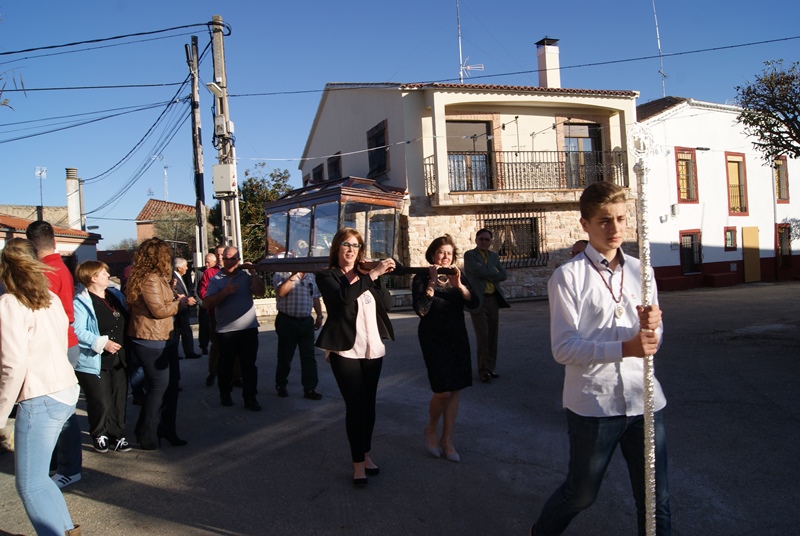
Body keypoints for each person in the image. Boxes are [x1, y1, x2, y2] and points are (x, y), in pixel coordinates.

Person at [531, 181, 671, 536]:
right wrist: (624, 348)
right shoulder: (568, 277)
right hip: (595, 405)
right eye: (604, 221)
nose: (615, 228)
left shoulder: (643, 270)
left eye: (621, 219)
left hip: (644, 400)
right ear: (585, 225)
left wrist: (654, 327)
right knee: (580, 495)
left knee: (656, 499)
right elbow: (563, 348)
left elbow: (652, 340)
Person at [0, 238, 81, 536]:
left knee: (30, 484)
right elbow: (62, 341)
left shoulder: (9, 303)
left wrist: (0, 414)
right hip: (63, 390)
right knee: (41, 480)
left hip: (41, 398)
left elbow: (13, 364)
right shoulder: (50, 297)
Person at [315, 228, 395, 488]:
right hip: (345, 350)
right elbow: (344, 300)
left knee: (369, 405)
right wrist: (372, 274)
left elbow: (388, 305)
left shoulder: (365, 275)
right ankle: (357, 463)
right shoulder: (327, 276)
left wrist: (379, 277)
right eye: (346, 245)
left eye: (356, 245)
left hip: (372, 348)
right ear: (337, 248)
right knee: (356, 405)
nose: (351, 250)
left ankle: (367, 453)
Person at [25, 220, 83, 490]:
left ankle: (69, 468)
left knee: (61, 413)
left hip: (57, 345)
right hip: (65, 343)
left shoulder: (46, 272)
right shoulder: (60, 267)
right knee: (62, 409)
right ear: (54, 241)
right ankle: (61, 465)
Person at [412, 235, 478, 463]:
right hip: (433, 338)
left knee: (456, 389)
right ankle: (431, 429)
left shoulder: (457, 276)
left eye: (449, 253)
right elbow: (421, 310)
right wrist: (431, 282)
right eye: (441, 252)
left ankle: (447, 439)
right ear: (432, 254)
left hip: (456, 336)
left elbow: (475, 303)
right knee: (443, 390)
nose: (445, 256)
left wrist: (459, 286)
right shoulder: (421, 277)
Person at [126, 238, 195, 450]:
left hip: (165, 337)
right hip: (151, 338)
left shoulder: (157, 278)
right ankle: (144, 431)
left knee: (172, 386)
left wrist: (173, 294)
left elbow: (162, 304)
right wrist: (181, 303)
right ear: (159, 256)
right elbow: (159, 311)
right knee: (158, 387)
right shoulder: (150, 279)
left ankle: (167, 429)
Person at [73, 261, 131, 454]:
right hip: (95, 359)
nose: (108, 274)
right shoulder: (81, 302)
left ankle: (117, 434)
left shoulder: (115, 295)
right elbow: (77, 330)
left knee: (118, 397)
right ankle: (99, 433)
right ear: (93, 277)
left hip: (119, 357)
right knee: (101, 399)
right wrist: (101, 342)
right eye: (103, 272)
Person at [203, 246, 266, 411]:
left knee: (249, 366)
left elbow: (260, 292)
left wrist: (253, 273)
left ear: (239, 260)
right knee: (226, 365)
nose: (230, 261)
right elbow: (207, 303)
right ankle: (225, 393)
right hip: (226, 332)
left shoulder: (246, 277)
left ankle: (250, 398)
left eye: (233, 258)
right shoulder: (216, 279)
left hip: (249, 329)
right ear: (222, 260)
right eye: (227, 258)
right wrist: (225, 292)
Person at [464, 228, 510, 383]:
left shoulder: (494, 256)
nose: (484, 242)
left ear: (491, 242)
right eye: (481, 239)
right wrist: (492, 271)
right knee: (483, 336)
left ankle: (491, 368)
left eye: (487, 239)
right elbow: (476, 270)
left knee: (492, 335)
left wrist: (488, 271)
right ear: (476, 240)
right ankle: (483, 369)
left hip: (493, 299)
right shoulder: (470, 255)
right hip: (478, 299)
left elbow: (503, 275)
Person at [273, 269, 324, 400]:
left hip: (306, 321)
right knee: (285, 355)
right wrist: (293, 275)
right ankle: (281, 384)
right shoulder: (281, 273)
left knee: (309, 356)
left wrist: (319, 315)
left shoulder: (311, 275)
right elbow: (281, 293)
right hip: (287, 320)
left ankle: (310, 388)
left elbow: (315, 297)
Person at [198, 245, 226, 387]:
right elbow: (203, 292)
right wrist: (216, 299)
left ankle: (236, 376)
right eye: (218, 255)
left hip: (232, 315)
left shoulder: (236, 271)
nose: (220, 257)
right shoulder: (209, 273)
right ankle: (213, 372)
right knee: (216, 344)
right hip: (214, 314)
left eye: (223, 254)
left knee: (235, 345)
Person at [173, 257, 201, 360]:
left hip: (184, 309)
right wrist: (183, 299)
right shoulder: (173, 278)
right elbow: (173, 292)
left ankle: (189, 352)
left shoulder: (181, 277)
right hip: (178, 309)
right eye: (185, 266)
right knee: (177, 333)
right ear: (179, 268)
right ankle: (176, 354)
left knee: (186, 331)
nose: (187, 268)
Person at [196, 252, 217, 355]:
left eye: (208, 262)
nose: (206, 265)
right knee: (204, 326)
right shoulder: (201, 272)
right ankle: (204, 346)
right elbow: (198, 289)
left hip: (217, 307)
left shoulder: (220, 271)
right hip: (204, 304)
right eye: (205, 262)